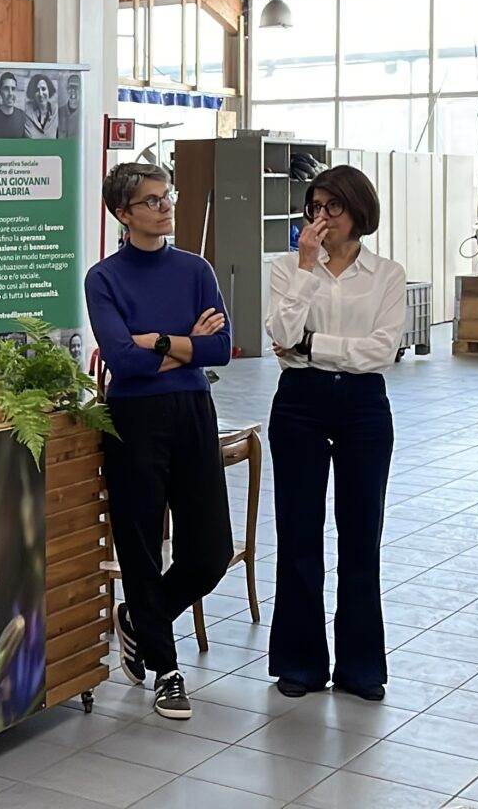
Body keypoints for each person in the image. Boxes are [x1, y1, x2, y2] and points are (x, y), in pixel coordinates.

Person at [84, 162, 232, 721]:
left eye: (166, 196)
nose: (165, 207)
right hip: (134, 418)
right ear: (123, 214)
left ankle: (138, 620)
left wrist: (162, 343)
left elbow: (223, 350)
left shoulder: (195, 270)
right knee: (141, 545)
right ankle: (168, 672)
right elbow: (120, 359)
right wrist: (188, 343)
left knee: (211, 550)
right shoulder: (105, 278)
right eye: (150, 201)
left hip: (194, 410)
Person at [263, 165, 406, 701]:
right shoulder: (287, 268)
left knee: (360, 534)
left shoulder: (386, 274)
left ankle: (361, 666)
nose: (321, 219)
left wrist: (310, 347)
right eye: (314, 208)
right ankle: (299, 664)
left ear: (358, 211)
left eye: (333, 208)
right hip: (300, 404)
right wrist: (305, 268)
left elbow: (382, 350)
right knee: (299, 533)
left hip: (364, 408)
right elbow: (279, 332)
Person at [0, 72, 30, 139]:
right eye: (6, 88)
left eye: (13, 89)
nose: (10, 93)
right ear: (0, 91)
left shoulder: (23, 117)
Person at [25, 74, 60, 139]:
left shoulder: (57, 112)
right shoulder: (25, 111)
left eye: (43, 89)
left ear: (49, 90)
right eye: (37, 90)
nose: (41, 94)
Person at [58, 72, 84, 140]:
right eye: (70, 87)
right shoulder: (58, 113)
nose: (73, 90)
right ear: (67, 90)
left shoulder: (84, 115)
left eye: (76, 87)